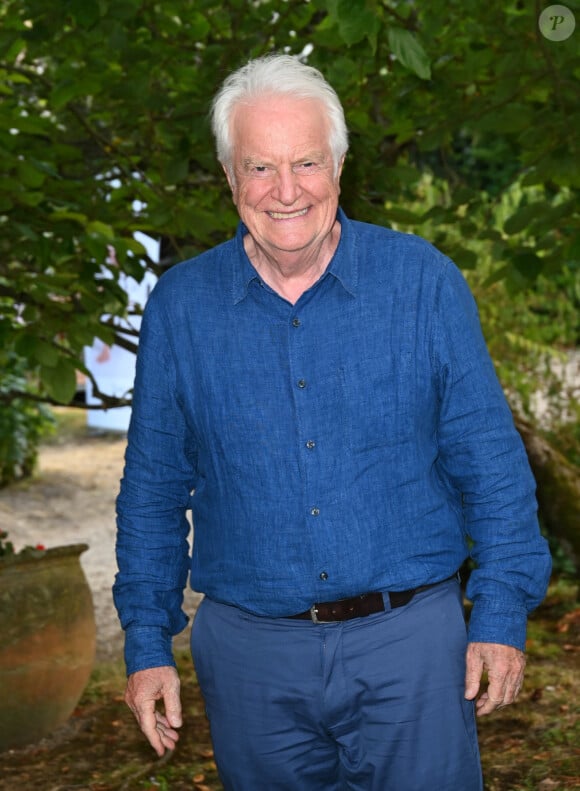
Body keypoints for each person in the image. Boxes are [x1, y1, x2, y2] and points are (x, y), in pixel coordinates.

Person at [113, 53, 551, 790]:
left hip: (411, 645)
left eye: (306, 162)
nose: (286, 191)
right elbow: (154, 486)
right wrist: (147, 639)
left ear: (340, 164)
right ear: (228, 175)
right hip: (252, 661)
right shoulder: (181, 309)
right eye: (259, 167)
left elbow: (491, 462)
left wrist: (501, 611)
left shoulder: (423, 284)